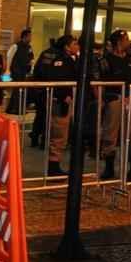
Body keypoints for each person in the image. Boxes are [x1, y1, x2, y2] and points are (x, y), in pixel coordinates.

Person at [97, 29, 131, 181]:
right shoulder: (106, 60)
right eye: (126, 40)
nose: (128, 42)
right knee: (110, 133)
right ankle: (109, 167)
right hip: (115, 99)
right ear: (118, 42)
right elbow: (102, 82)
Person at [44, 35, 80, 177]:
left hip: (68, 100)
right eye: (75, 43)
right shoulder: (60, 60)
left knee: (63, 134)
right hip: (60, 101)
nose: (77, 46)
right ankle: (53, 166)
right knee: (59, 133)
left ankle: (56, 164)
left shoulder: (73, 59)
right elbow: (58, 80)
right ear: (67, 46)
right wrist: (63, 95)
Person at [7, 29, 34, 121]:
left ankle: (13, 108)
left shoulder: (29, 47)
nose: (31, 38)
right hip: (16, 70)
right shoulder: (16, 46)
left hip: (23, 71)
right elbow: (9, 57)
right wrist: (8, 69)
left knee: (19, 90)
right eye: (29, 36)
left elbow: (31, 57)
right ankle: (14, 108)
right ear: (25, 36)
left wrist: (30, 64)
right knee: (17, 90)